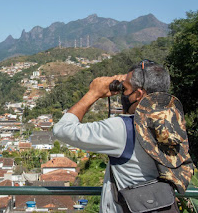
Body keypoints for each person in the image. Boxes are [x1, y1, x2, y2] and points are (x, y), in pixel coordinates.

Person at [53, 60, 185, 212]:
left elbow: (62, 129)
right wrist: (131, 83)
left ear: (139, 94)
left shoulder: (123, 128)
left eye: (126, 89)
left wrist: (94, 93)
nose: (124, 94)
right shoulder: (174, 121)